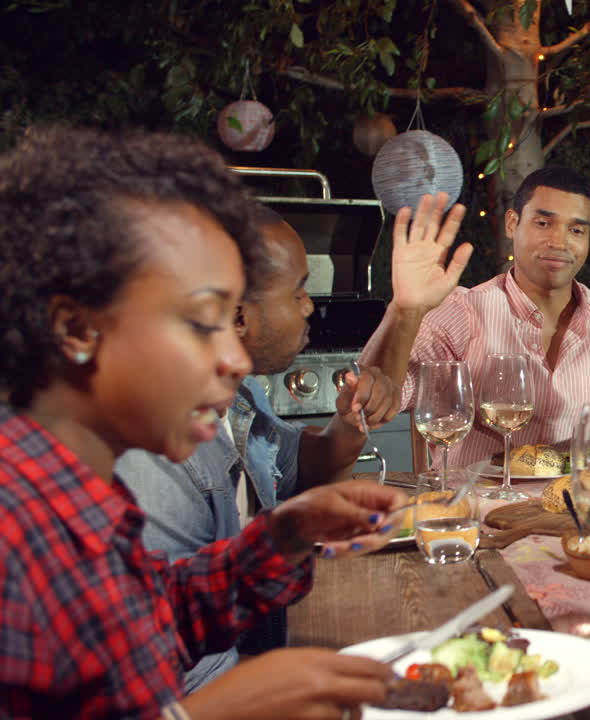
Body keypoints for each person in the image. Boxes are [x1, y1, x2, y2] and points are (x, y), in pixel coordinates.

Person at [0, 125, 404, 719]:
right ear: (80, 329)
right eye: (202, 321)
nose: (237, 359)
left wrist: (281, 535)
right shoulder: (13, 530)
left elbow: (148, 621)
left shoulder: (81, 492)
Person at [114, 205, 409, 690]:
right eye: (297, 290)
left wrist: (289, 529)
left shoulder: (241, 395)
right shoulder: (150, 457)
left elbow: (176, 610)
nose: (311, 305)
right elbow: (175, 678)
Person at [361, 166, 590, 474]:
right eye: (543, 223)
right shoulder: (463, 311)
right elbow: (382, 399)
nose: (560, 242)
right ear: (512, 224)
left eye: (576, 230)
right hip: (475, 514)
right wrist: (406, 309)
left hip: (580, 511)